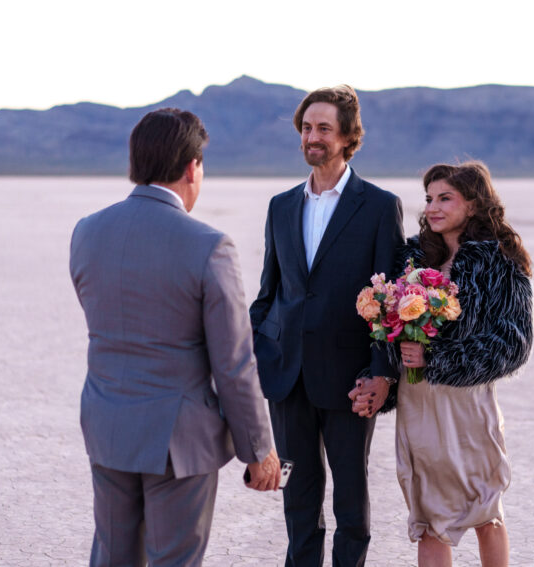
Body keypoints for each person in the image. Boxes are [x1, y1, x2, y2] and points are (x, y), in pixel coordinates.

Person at [69, 108, 280, 566]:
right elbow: (234, 364)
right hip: (177, 441)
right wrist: (258, 450)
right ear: (192, 167)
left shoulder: (86, 232)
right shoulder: (208, 245)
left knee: (112, 558)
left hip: (107, 426)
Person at [249, 85, 405, 566]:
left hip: (349, 381)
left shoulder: (379, 206)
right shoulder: (281, 205)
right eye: (306, 128)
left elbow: (390, 301)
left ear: (347, 137)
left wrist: (381, 373)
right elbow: (269, 291)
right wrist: (261, 349)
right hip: (288, 379)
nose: (311, 137)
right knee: (298, 496)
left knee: (351, 501)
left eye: (323, 128)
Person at [351, 161, 534, 567]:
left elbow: (514, 342)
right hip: (419, 404)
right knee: (429, 513)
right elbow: (388, 329)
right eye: (429, 198)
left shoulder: (500, 261)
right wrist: (386, 375)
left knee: (485, 507)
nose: (433, 207)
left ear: (473, 204)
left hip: (468, 404)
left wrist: (438, 359)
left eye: (445, 198)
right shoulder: (411, 258)